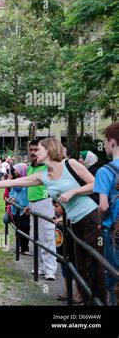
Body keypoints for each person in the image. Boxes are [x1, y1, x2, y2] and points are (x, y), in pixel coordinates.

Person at [0, 138, 107, 304]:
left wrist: (74, 192)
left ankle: (101, 304)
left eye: (37, 150)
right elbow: (16, 181)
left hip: (91, 217)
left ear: (49, 150)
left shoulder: (70, 164)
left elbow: (96, 184)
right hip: (74, 223)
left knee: (96, 266)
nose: (33, 153)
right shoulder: (43, 175)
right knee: (80, 268)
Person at [93, 122, 119, 305]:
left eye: (105, 141)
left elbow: (103, 206)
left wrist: (100, 223)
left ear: (113, 142)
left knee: (114, 276)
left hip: (114, 231)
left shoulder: (105, 171)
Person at [25, 139, 57, 280]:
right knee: (36, 237)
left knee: (47, 237)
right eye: (31, 150)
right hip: (33, 204)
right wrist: (29, 204)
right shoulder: (30, 167)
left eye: (36, 150)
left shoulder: (46, 166)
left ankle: (50, 269)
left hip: (45, 203)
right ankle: (42, 266)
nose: (33, 152)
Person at [52, 200, 82, 304]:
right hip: (61, 247)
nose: (55, 208)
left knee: (75, 268)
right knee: (64, 269)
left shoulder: (73, 215)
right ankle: (67, 290)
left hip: (70, 247)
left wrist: (63, 220)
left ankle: (79, 293)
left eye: (56, 206)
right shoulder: (57, 216)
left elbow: (72, 220)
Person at [8, 163, 31, 255]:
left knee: (25, 229)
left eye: (16, 169)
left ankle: (25, 248)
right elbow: (12, 192)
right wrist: (12, 198)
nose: (14, 171)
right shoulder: (16, 181)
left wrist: (29, 205)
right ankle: (19, 246)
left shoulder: (28, 183)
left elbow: (30, 195)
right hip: (16, 209)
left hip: (25, 210)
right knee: (18, 229)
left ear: (22, 170)